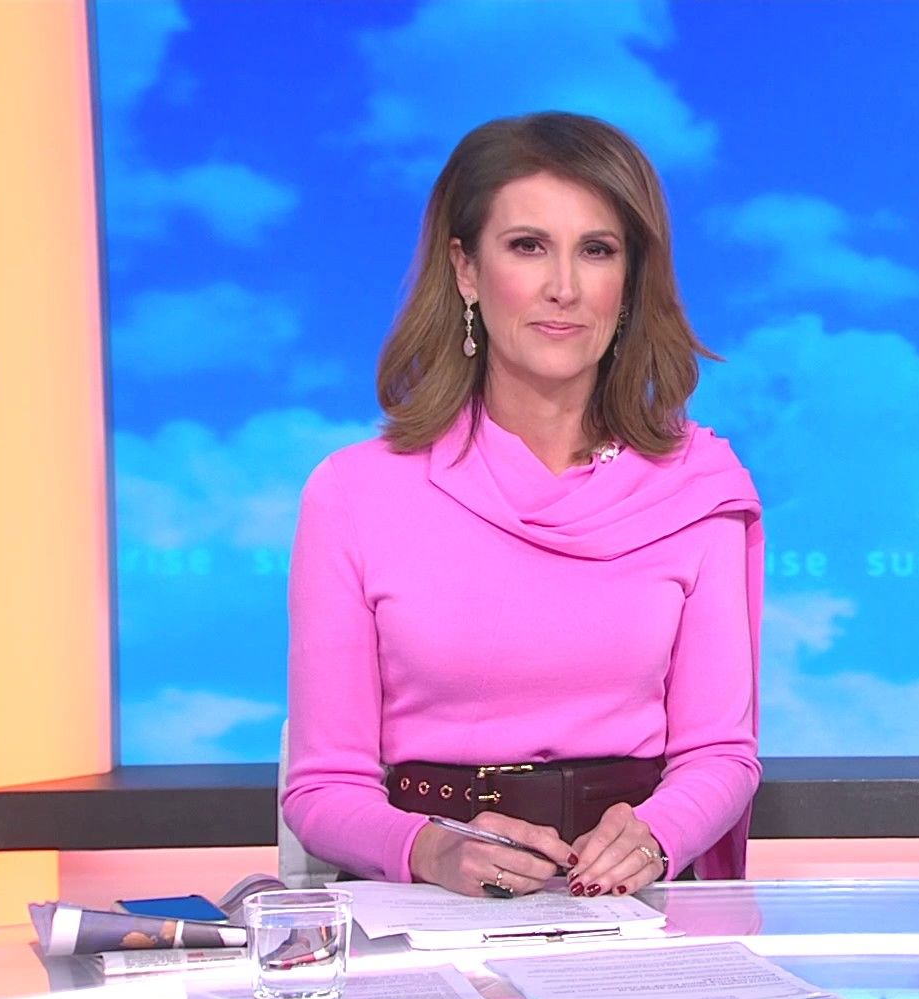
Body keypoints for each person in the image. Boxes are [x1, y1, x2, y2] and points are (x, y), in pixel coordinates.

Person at [283, 112, 762, 899]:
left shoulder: (697, 488)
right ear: (467, 270)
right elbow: (322, 788)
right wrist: (430, 851)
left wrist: (655, 836)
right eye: (528, 246)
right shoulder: (354, 493)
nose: (563, 287)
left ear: (630, 280)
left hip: (625, 905)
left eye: (597, 250)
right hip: (428, 906)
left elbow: (721, 756)